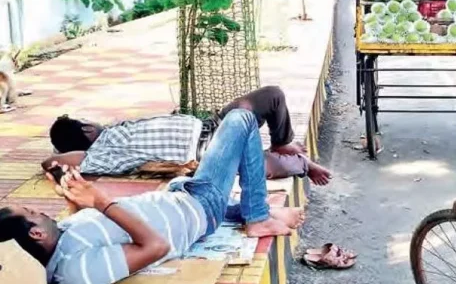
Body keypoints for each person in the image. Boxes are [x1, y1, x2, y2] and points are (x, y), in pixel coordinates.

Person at [0, 109, 304, 284]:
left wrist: (74, 199)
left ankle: (252, 212)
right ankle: (258, 217)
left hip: (179, 197)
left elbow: (92, 227)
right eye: (32, 212)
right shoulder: (75, 270)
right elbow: (156, 247)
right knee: (242, 119)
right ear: (35, 234)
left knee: (230, 162)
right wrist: (101, 201)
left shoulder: (60, 241)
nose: (39, 210)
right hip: (198, 209)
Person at [44, 86, 332, 186]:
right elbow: (52, 161)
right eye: (87, 122)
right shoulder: (100, 153)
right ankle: (302, 165)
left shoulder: (119, 129)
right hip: (206, 153)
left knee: (272, 95)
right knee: (258, 164)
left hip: (211, 124)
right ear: (86, 130)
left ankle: (282, 142)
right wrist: (60, 156)